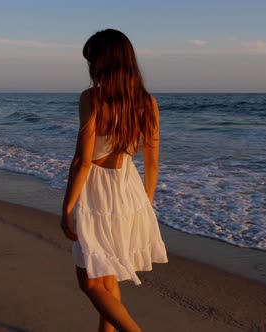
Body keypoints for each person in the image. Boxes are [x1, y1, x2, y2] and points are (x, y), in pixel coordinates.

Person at [60, 29, 168, 332]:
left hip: (95, 191)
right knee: (106, 277)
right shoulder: (148, 103)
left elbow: (82, 162)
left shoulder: (92, 98)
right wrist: (145, 205)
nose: (90, 67)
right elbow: (153, 164)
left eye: (91, 59)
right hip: (129, 190)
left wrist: (67, 208)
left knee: (90, 283)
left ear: (102, 61)